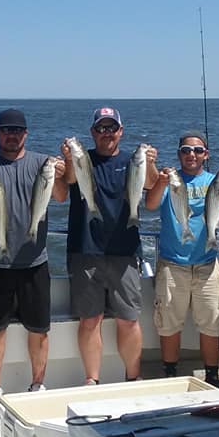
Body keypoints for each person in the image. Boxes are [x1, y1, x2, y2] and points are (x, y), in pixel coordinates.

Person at [0, 109, 65, 417]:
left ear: (27, 133)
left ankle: (38, 385)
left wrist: (63, 172)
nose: (12, 135)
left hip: (35, 261)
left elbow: (61, 196)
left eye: (18, 130)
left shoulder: (42, 163)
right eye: (6, 130)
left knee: (40, 329)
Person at [53, 107, 158, 385]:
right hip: (85, 250)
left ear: (121, 132)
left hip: (124, 251)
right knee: (90, 320)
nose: (106, 133)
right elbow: (69, 183)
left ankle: (133, 377)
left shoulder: (131, 161)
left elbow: (150, 184)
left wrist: (150, 162)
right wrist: (68, 158)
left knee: (129, 320)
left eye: (112, 128)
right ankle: (92, 380)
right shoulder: (81, 160)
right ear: (92, 133)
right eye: (101, 128)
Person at [145, 130, 219, 387]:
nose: (191, 155)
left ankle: (212, 376)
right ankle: (170, 374)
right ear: (179, 154)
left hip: (208, 265)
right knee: (169, 325)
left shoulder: (214, 181)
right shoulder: (170, 181)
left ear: (206, 154)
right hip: (172, 264)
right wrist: (159, 179)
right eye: (185, 150)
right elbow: (150, 204)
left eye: (197, 150)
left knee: (212, 323)